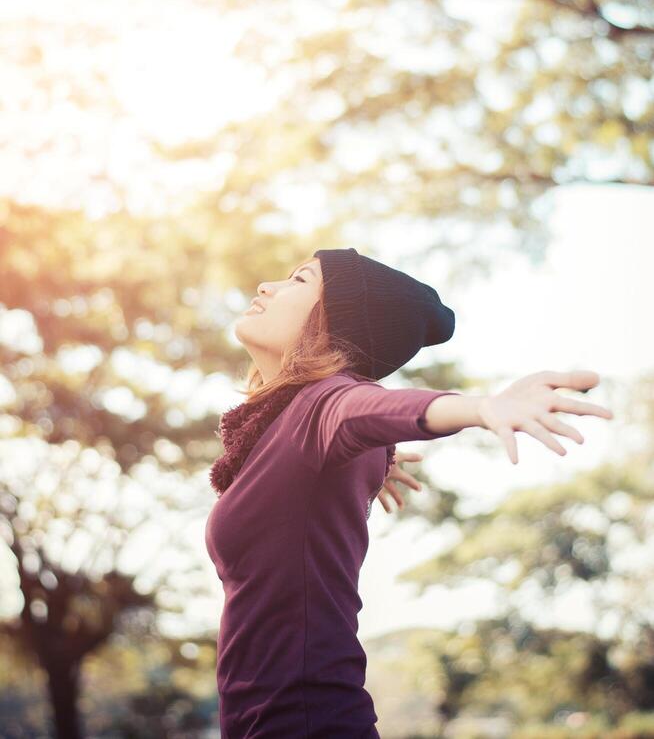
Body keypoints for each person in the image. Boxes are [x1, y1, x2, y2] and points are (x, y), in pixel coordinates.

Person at [204, 247, 613, 738]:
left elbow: (366, 409)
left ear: (334, 321)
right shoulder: (284, 432)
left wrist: (482, 408)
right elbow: (353, 429)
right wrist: (367, 463)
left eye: (298, 280)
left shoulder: (322, 402)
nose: (266, 286)